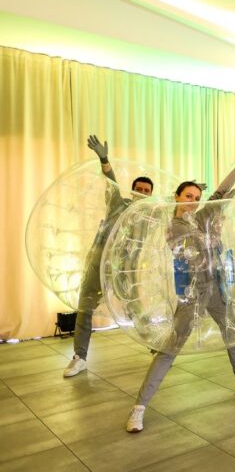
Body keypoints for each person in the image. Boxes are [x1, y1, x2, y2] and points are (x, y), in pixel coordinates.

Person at [126, 152, 235, 433]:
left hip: (215, 286)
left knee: (232, 332)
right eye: (188, 196)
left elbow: (219, 194)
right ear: (177, 198)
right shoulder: (174, 227)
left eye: (196, 197)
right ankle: (139, 407)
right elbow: (193, 255)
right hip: (193, 292)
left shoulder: (200, 218)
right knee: (170, 348)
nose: (193, 200)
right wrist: (214, 225)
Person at [64, 135, 154, 377]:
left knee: (136, 308)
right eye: (139, 189)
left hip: (125, 271)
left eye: (147, 191)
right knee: (85, 309)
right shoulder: (118, 204)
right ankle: (80, 357)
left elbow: (174, 206)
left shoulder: (151, 214)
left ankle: (155, 347)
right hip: (99, 265)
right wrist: (104, 160)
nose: (142, 193)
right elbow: (111, 183)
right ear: (132, 191)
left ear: (151, 194)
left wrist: (190, 193)